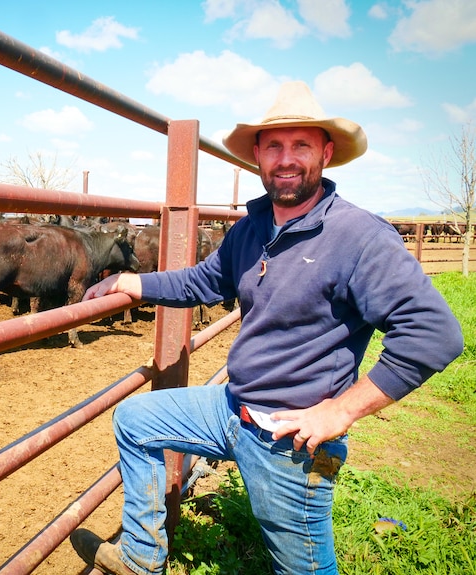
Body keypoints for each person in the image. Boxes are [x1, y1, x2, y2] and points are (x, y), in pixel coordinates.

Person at [70, 81, 464, 575]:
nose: (286, 159)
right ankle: (141, 561)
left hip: (290, 438)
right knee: (137, 420)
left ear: (326, 152)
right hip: (232, 408)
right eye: (274, 145)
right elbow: (203, 281)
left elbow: (435, 334)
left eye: (301, 145)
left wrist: (340, 411)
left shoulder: (359, 236)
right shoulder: (253, 228)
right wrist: (134, 281)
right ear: (256, 154)